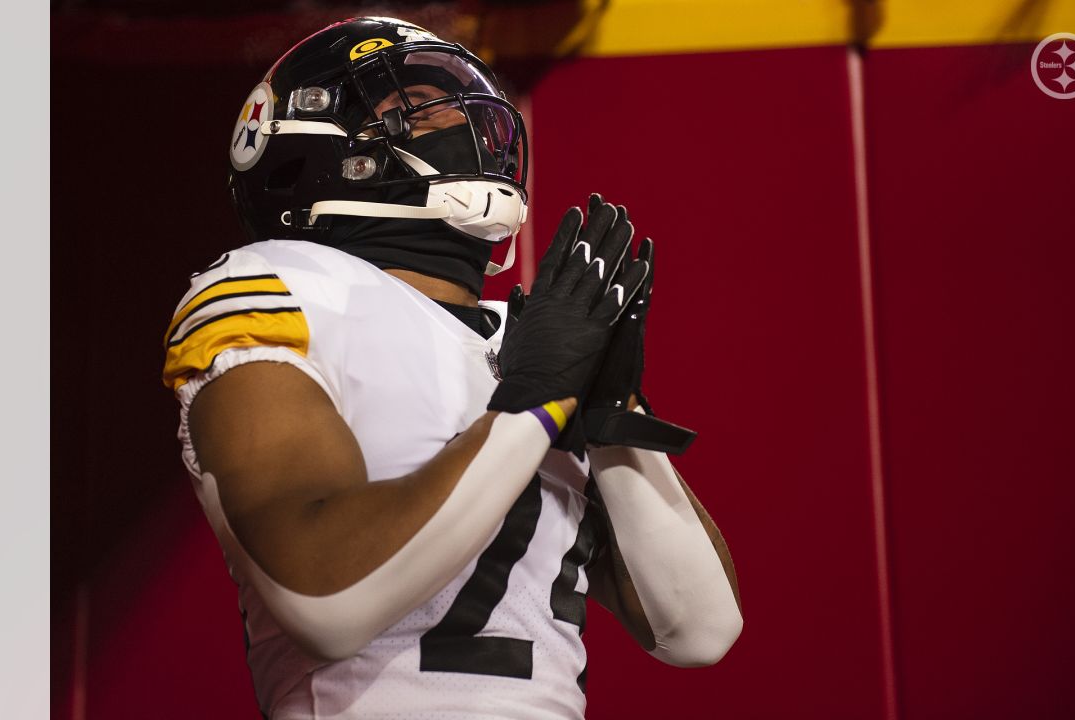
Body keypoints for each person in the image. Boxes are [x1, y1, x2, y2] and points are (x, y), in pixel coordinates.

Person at [161, 16, 741, 720]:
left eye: (451, 96)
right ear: (302, 146)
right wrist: (534, 404)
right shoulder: (279, 286)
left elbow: (701, 632)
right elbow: (327, 603)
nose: (454, 118)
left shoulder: (522, 337)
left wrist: (613, 414)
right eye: (410, 104)